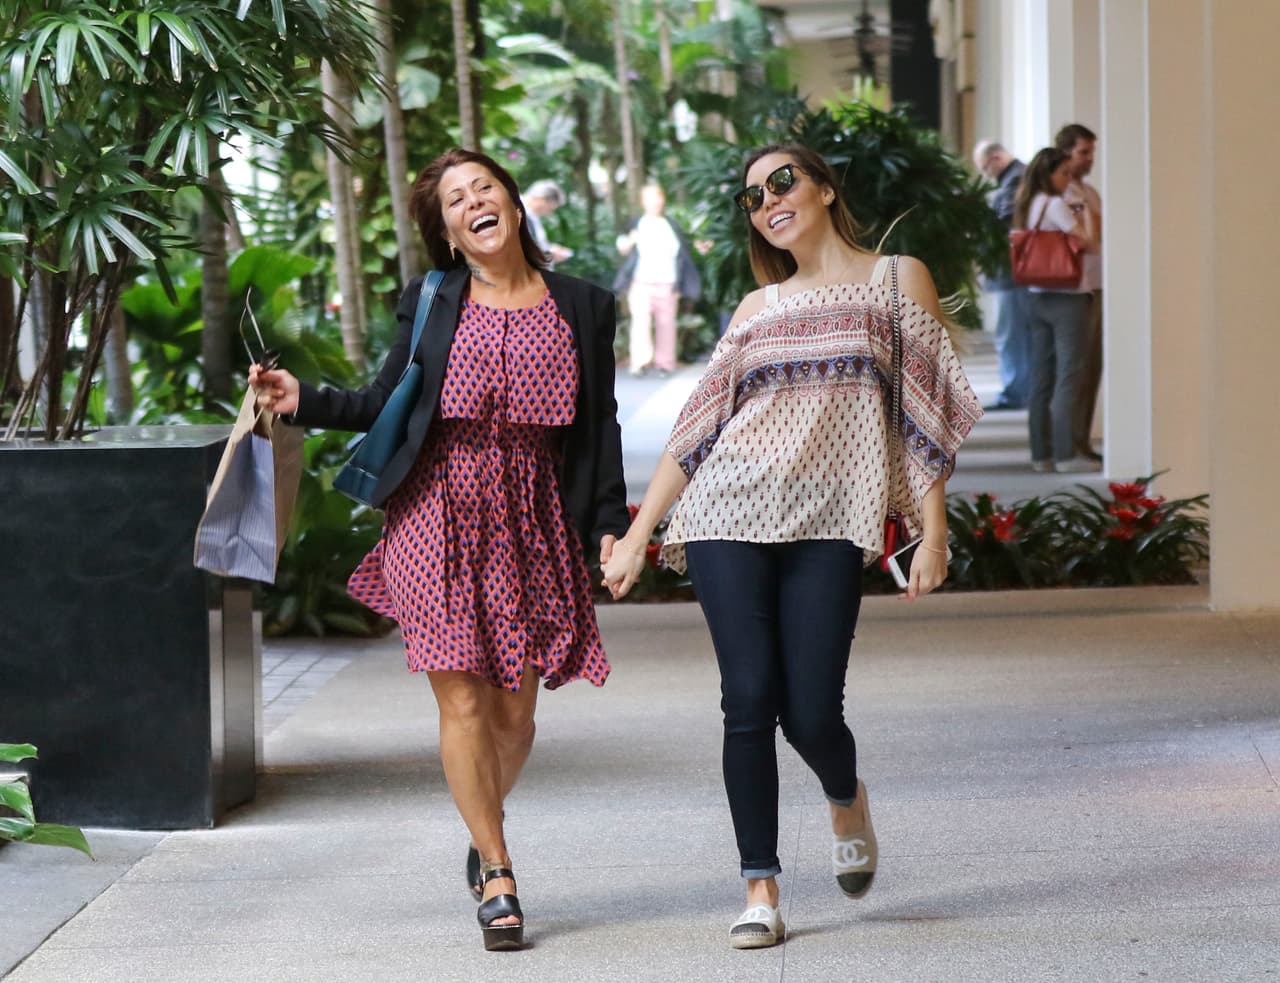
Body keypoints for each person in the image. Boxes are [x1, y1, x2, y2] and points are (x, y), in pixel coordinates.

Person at [250, 148, 629, 953]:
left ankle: (479, 815)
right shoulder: (433, 299)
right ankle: (497, 872)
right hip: (436, 509)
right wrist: (303, 399)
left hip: (534, 514)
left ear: (514, 203)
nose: (473, 203)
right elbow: (384, 400)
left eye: (483, 187)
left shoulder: (585, 306)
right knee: (460, 702)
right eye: (456, 201)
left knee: (516, 713)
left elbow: (600, 427)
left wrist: (608, 524)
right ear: (450, 234)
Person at [602, 144, 981, 949]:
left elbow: (924, 411)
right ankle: (760, 888)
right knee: (748, 699)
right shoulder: (754, 308)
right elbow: (697, 427)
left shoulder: (893, 278)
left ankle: (845, 793)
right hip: (725, 513)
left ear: (823, 188)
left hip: (830, 523)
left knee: (811, 711)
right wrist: (640, 533)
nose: (769, 200)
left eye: (782, 182)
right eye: (752, 196)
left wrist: (933, 528)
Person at [1012, 146, 1101, 473]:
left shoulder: (1029, 204)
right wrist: (1087, 216)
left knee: (1042, 377)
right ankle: (1065, 454)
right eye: (1063, 173)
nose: (1067, 180)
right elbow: (1087, 243)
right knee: (1069, 375)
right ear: (1048, 175)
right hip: (1066, 297)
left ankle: (1042, 454)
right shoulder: (1056, 205)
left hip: (1036, 296)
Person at [613, 183, 702, 377]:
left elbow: (683, 254)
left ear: (663, 200)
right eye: (650, 198)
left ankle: (665, 363)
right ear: (643, 201)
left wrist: (680, 284)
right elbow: (622, 247)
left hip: (668, 282)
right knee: (640, 323)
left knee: (666, 323)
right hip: (640, 281)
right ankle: (640, 363)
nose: (655, 202)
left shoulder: (671, 224)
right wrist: (630, 240)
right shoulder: (636, 223)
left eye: (658, 197)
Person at [1054, 123, 1104, 462]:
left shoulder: (1089, 192)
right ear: (1066, 153)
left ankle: (1082, 440)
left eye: (1091, 152)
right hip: (1074, 288)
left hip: (1096, 286)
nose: (1090, 159)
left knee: (1092, 367)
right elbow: (1085, 239)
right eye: (1083, 152)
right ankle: (1068, 443)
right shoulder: (1061, 196)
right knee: (1074, 369)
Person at [972, 140, 1031, 411]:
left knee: (1012, 334)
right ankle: (1018, 389)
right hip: (1013, 271)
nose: (986, 175)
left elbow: (1002, 222)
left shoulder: (1016, 179)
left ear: (996, 158)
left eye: (985, 168)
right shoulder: (1016, 178)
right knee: (1014, 333)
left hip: (1012, 271)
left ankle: (1015, 392)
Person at [521, 179, 572, 269]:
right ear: (541, 199)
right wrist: (549, 255)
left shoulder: (532, 217)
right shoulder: (516, 214)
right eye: (550, 209)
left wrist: (549, 249)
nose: (549, 213)